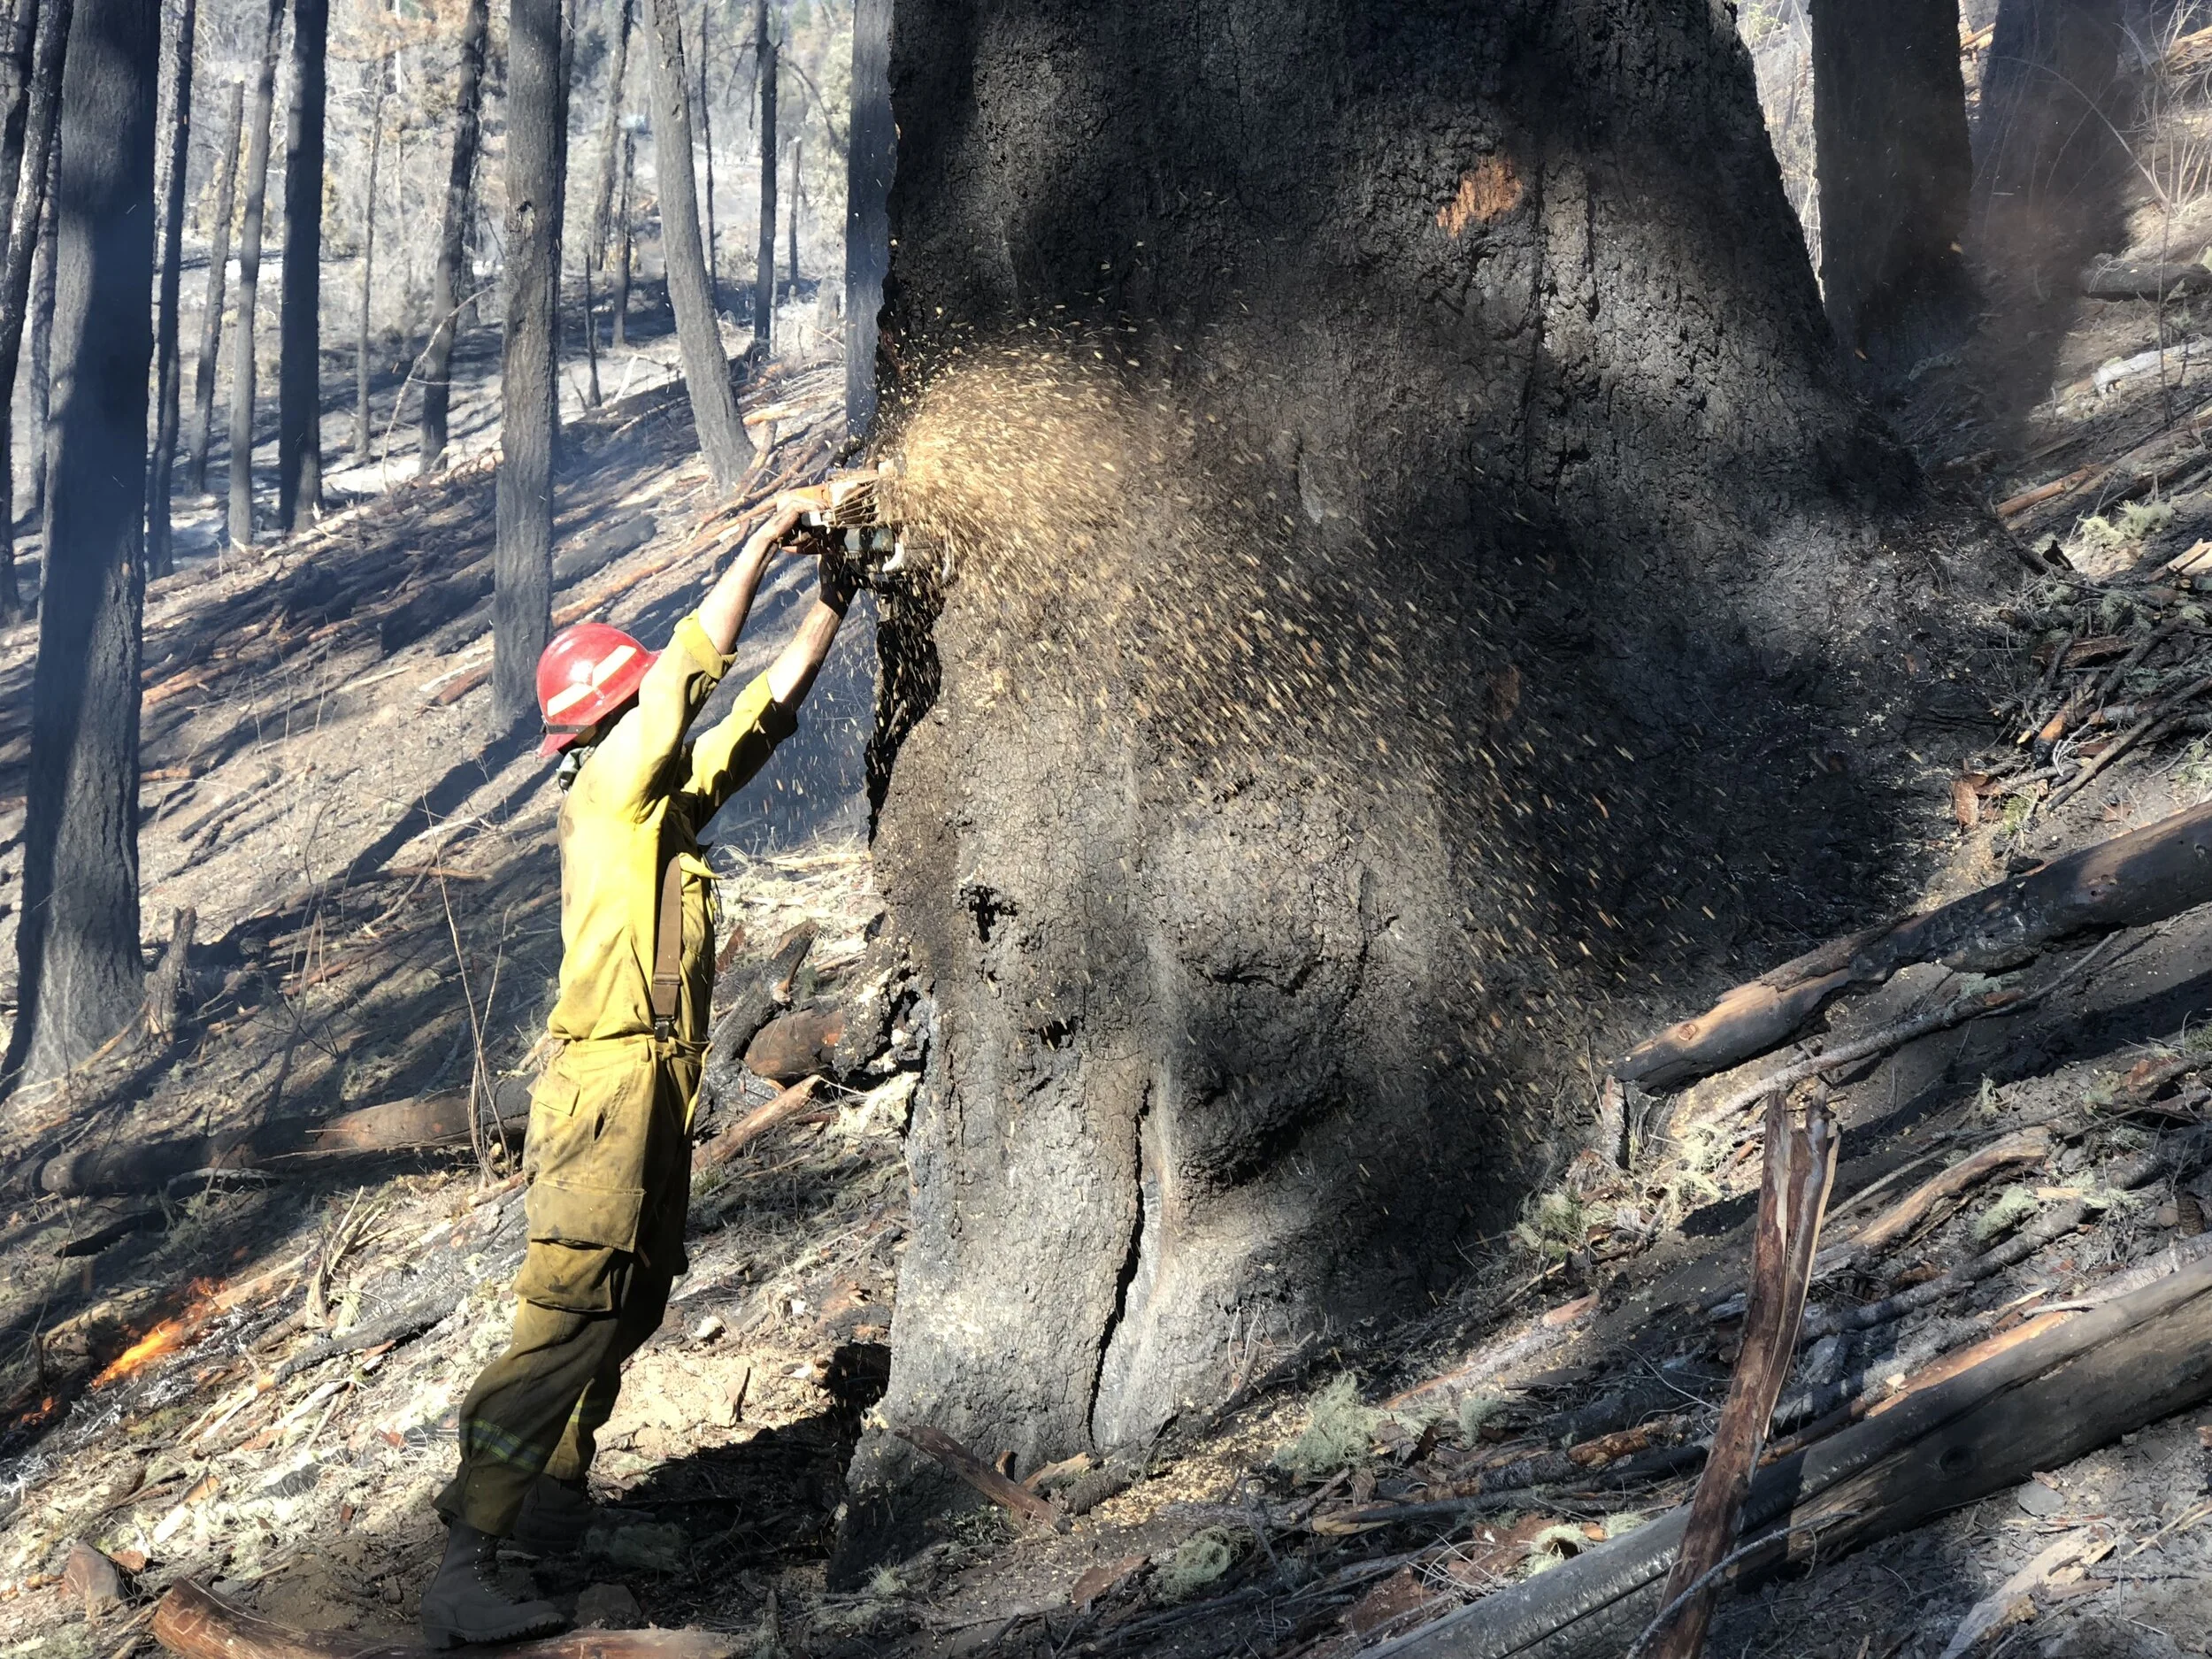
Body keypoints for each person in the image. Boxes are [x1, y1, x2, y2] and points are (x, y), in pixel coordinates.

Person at [420, 500, 854, 1647]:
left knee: (636, 1293)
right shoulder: (611, 794)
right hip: (603, 1091)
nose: (649, 727)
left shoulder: (653, 812)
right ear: (600, 731)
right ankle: (468, 1554)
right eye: (634, 713)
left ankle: (550, 1511)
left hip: (654, 1090)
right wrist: (763, 542)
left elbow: (754, 718)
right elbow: (691, 679)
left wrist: (834, 598)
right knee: (567, 1310)